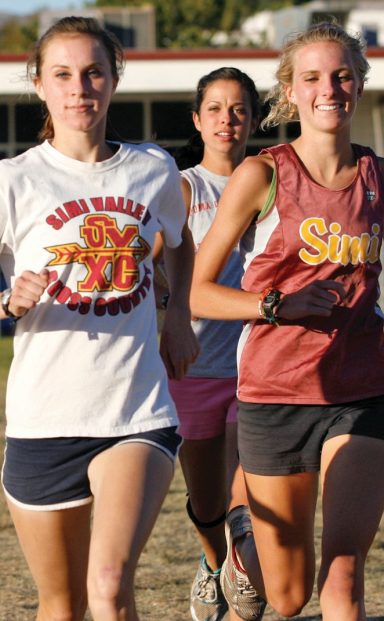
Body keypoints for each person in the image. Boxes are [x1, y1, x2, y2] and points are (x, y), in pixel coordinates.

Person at [0, 16, 198, 621]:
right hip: (43, 420)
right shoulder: (10, 181)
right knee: (62, 603)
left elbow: (178, 241)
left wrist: (176, 317)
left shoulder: (152, 170)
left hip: (136, 412)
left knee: (108, 584)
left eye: (94, 72)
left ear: (114, 80)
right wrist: (4, 303)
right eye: (64, 75)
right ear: (40, 84)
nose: (81, 88)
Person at [191, 22, 384, 621]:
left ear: (359, 84)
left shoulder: (379, 177)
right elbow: (199, 292)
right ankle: (243, 544)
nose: (330, 88)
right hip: (275, 393)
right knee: (287, 595)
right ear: (291, 92)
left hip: (361, 388)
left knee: (345, 569)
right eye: (313, 78)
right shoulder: (263, 175)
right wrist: (279, 305)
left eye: (343, 75)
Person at [164, 67, 259, 621]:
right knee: (207, 501)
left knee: (245, 497)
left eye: (239, 109)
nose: (228, 120)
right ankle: (212, 562)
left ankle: (243, 568)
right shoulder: (183, 187)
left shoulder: (273, 181)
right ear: (198, 120)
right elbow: (148, 257)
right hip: (194, 366)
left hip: (259, 365)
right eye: (216, 109)